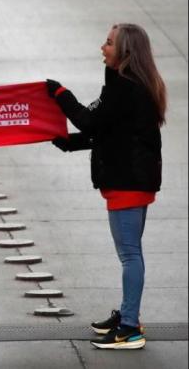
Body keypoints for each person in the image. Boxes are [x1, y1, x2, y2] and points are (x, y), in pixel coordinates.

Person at [47, 23, 166, 350]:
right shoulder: (128, 85)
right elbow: (110, 131)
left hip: (129, 181)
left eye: (109, 43)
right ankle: (129, 315)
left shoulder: (125, 88)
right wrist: (71, 143)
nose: (103, 47)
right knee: (130, 253)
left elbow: (89, 120)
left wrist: (60, 94)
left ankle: (129, 328)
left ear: (125, 52)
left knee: (130, 255)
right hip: (132, 180)